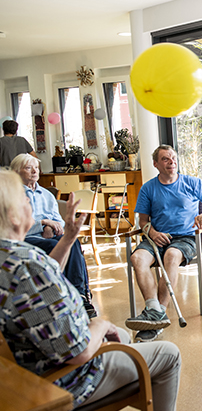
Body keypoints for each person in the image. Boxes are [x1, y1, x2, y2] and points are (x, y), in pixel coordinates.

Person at [0, 170, 182, 410]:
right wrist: (99, 325)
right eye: (25, 199)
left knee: (124, 335)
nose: (30, 203)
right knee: (168, 354)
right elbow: (79, 352)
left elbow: (43, 279)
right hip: (65, 377)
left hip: (31, 359)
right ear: (13, 216)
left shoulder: (11, 257)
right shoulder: (28, 264)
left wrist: (67, 238)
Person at [126, 145, 202, 342]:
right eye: (165, 159)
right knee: (137, 258)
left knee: (171, 255)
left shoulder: (190, 182)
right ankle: (154, 310)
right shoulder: (148, 188)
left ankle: (159, 314)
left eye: (173, 158)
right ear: (156, 164)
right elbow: (143, 222)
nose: (171, 161)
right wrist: (153, 233)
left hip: (185, 238)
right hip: (156, 237)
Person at [10, 153, 97, 318]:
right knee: (54, 246)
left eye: (36, 167)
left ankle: (80, 295)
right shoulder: (13, 195)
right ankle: (61, 296)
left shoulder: (46, 195)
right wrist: (43, 223)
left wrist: (55, 227)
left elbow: (59, 221)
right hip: (27, 238)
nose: (35, 171)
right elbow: (15, 227)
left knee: (73, 243)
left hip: (48, 235)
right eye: (29, 168)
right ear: (16, 172)